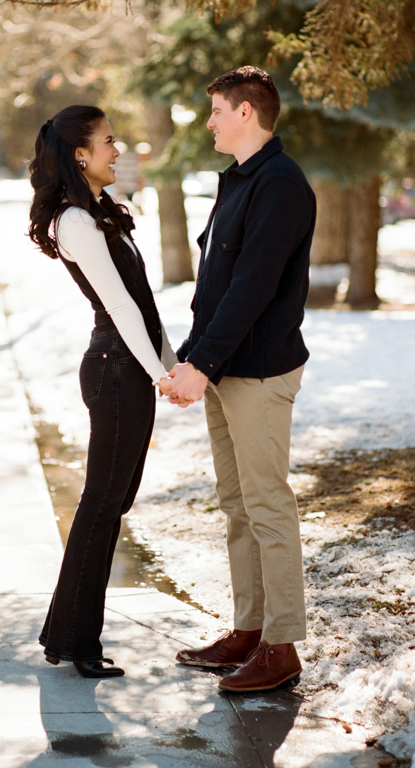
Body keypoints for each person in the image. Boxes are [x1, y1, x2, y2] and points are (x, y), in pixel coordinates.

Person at [168, 66, 316, 693]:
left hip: (258, 372)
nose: (210, 122)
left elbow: (253, 288)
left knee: (267, 505)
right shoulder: (237, 181)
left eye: (217, 111)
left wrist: (201, 365)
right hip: (225, 368)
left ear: (248, 112)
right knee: (237, 507)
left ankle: (281, 644)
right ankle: (249, 630)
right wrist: (191, 358)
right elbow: (214, 289)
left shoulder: (279, 185)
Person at [28, 105, 176, 679]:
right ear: (80, 154)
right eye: (109, 141)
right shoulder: (74, 222)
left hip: (127, 365)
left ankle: (66, 634)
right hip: (115, 368)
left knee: (111, 502)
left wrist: (170, 366)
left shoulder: (100, 214)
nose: (119, 150)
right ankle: (75, 641)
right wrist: (160, 374)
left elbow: (144, 304)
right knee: (100, 505)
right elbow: (119, 307)